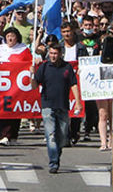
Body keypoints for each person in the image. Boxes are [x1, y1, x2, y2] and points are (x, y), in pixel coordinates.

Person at [32, 42, 80, 174]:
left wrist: (78, 101)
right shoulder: (44, 67)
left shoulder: (67, 67)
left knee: (62, 136)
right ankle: (53, 162)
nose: (53, 56)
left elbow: (73, 84)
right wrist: (32, 75)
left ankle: (56, 155)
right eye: (51, 53)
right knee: (51, 135)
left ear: (60, 54)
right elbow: (34, 86)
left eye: (55, 54)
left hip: (63, 105)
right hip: (48, 105)